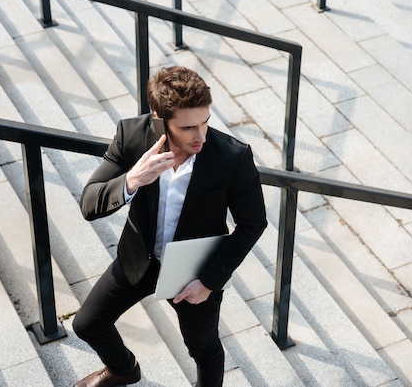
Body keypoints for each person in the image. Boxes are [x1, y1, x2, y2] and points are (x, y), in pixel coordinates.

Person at [72, 66, 267, 387]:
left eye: (205, 122)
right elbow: (89, 203)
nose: (201, 135)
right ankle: (124, 369)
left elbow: (253, 224)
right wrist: (133, 179)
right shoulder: (131, 136)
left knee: (203, 348)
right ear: (160, 118)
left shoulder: (232, 157)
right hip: (138, 259)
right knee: (87, 324)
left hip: (193, 271)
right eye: (189, 127)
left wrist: (208, 281)